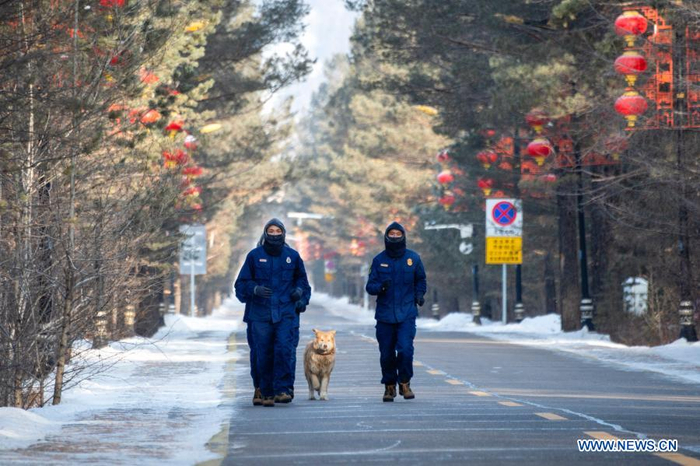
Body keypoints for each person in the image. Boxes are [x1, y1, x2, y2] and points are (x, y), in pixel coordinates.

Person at [234, 218, 311, 406]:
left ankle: (283, 389)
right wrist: (254, 289)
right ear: (265, 233)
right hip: (260, 314)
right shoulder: (254, 256)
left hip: (286, 313)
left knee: (285, 350)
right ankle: (263, 390)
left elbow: (303, 283)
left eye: (278, 231)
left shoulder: (292, 256)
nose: (275, 234)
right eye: (271, 230)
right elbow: (241, 284)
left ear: (283, 233)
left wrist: (300, 295)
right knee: (263, 352)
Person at [366, 222, 427, 402]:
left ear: (403, 236)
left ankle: (405, 383)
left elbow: (421, 280)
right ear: (386, 236)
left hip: (406, 313)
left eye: (397, 234)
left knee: (405, 350)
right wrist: (380, 287)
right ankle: (389, 386)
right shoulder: (378, 260)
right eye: (391, 234)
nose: (394, 237)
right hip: (385, 315)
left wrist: (419, 295)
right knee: (386, 353)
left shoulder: (413, 259)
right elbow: (370, 286)